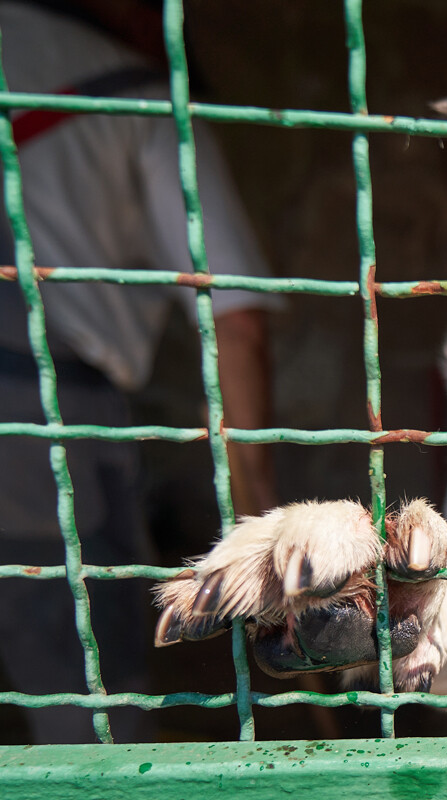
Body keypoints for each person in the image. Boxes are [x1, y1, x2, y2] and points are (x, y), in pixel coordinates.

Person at [0, 0, 279, 743]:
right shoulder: (146, 98)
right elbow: (237, 317)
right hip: (38, 414)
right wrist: (258, 509)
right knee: (86, 704)